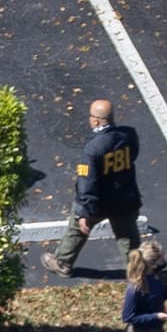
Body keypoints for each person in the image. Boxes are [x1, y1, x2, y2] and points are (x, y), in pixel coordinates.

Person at [41, 99, 141, 277]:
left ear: (95, 120)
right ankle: (137, 274)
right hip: (125, 197)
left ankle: (63, 263)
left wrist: (84, 211)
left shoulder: (92, 149)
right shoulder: (129, 134)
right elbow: (134, 154)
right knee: (128, 239)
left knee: (76, 230)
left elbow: (86, 182)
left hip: (100, 202)